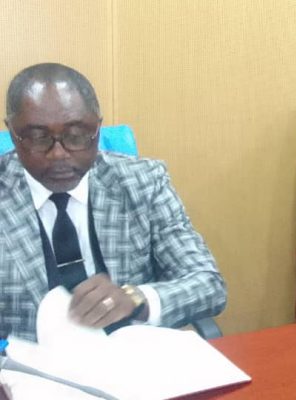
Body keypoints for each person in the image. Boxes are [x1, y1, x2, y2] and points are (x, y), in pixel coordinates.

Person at [0, 63, 226, 341]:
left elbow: (208, 284)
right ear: (12, 132)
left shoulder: (143, 181)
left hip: (130, 357)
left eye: (76, 135)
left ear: (97, 127)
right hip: (25, 364)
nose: (58, 154)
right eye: (37, 137)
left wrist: (136, 299)